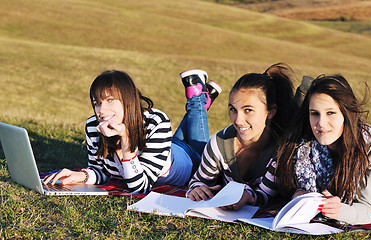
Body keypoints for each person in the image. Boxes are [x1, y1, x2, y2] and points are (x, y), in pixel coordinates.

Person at [43, 69, 222, 194]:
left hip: (189, 159)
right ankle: (203, 98)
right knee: (187, 128)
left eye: (110, 100)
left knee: (198, 141)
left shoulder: (156, 121)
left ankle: (197, 98)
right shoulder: (93, 126)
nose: (101, 110)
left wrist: (125, 143)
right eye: (97, 102)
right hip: (163, 148)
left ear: (127, 100)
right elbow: (102, 172)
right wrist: (81, 176)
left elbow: (139, 187)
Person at [276, 74, 371, 225]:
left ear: (346, 113)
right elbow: (286, 184)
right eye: (315, 113)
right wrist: (297, 194)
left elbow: (368, 210)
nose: (321, 123)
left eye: (330, 113)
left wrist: (340, 211)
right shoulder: (302, 143)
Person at [186, 63, 295, 210]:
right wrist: (197, 189)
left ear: (271, 111)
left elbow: (265, 196)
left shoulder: (280, 150)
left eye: (248, 110)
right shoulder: (219, 144)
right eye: (233, 109)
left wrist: (246, 197)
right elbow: (198, 181)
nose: (238, 120)